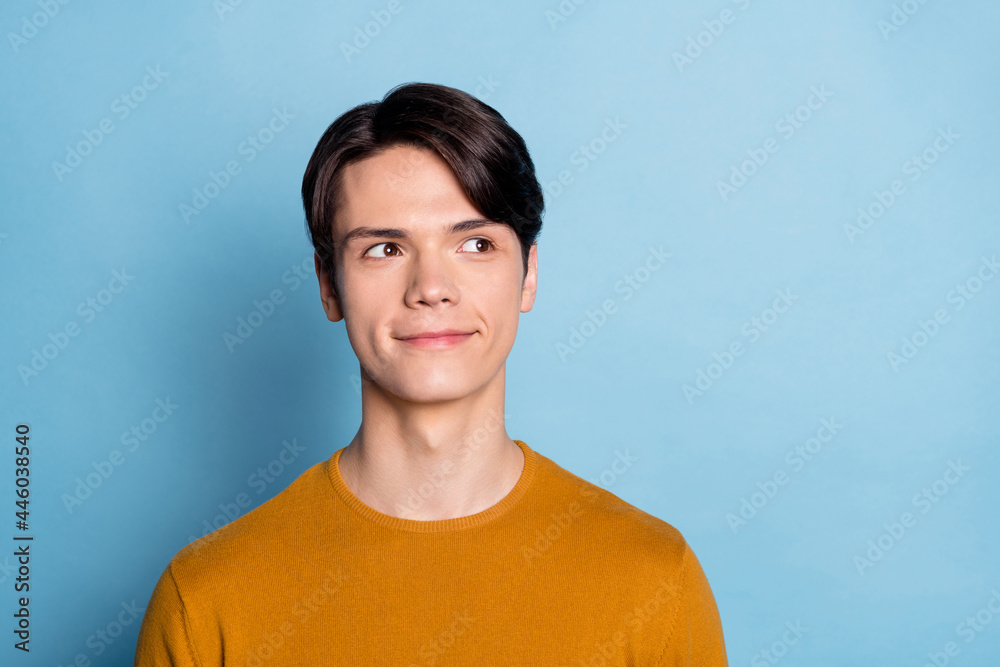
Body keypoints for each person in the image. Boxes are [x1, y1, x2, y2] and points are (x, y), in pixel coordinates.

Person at [134, 82, 728, 666]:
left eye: (474, 244)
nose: (431, 290)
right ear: (327, 284)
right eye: (385, 250)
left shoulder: (655, 579)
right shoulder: (206, 599)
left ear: (528, 274)